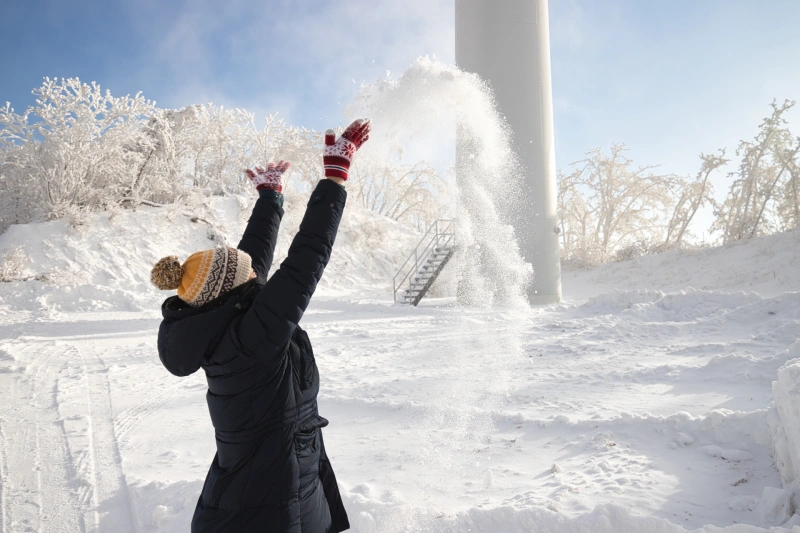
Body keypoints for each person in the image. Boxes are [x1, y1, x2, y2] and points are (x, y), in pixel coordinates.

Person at [150, 118, 371, 533]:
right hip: (268, 496)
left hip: (272, 475)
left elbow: (250, 260)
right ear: (235, 290)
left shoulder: (223, 322)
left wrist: (270, 197)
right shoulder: (253, 338)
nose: (256, 274)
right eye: (249, 275)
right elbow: (305, 261)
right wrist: (334, 180)